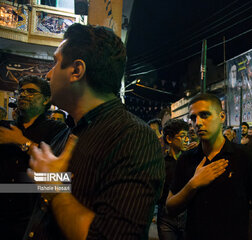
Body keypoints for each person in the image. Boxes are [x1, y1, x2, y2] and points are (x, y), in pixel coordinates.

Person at [27, 24, 165, 239]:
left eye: (55, 63)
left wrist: (55, 190)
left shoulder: (134, 137)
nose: (48, 74)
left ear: (76, 71)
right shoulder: (68, 133)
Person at [166, 93, 252, 240]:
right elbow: (170, 208)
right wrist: (193, 185)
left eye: (204, 115)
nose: (198, 123)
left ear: (222, 117)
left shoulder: (245, 156)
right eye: (193, 118)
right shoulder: (186, 159)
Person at [0, 75, 68, 239]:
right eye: (21, 91)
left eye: (30, 91)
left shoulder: (58, 130)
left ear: (46, 100)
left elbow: (58, 172)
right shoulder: (4, 127)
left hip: (33, 218)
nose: (23, 95)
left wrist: (21, 142)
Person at [157, 119, 189, 240]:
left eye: (187, 136)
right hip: (166, 218)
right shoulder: (162, 164)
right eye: (182, 136)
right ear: (169, 139)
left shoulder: (190, 161)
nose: (187, 140)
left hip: (187, 215)